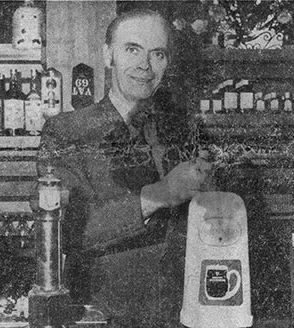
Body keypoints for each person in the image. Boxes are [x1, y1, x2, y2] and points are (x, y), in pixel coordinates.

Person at [37, 8, 213, 328]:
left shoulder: (182, 130)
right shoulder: (67, 131)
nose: (145, 66)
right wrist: (158, 195)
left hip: (183, 313)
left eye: (157, 54)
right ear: (109, 56)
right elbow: (67, 231)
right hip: (103, 315)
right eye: (132, 50)